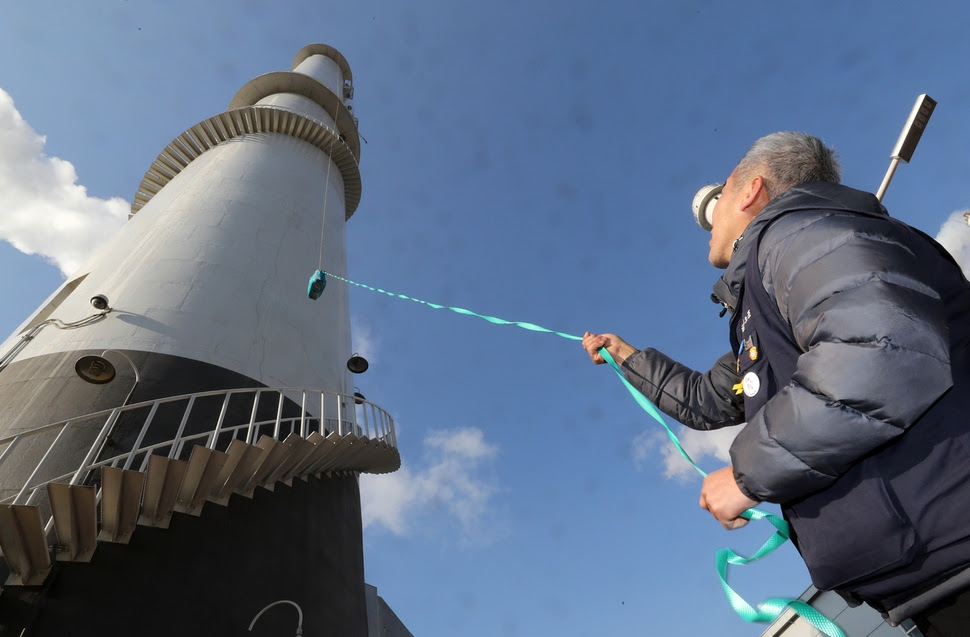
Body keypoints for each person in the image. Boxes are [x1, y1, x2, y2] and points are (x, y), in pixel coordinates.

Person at [582, 131, 970, 635]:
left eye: (714, 203)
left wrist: (748, 475)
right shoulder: (771, 292)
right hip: (931, 571)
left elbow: (878, 349)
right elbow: (707, 400)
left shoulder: (802, 233)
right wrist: (625, 356)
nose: (707, 225)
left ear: (748, 192)